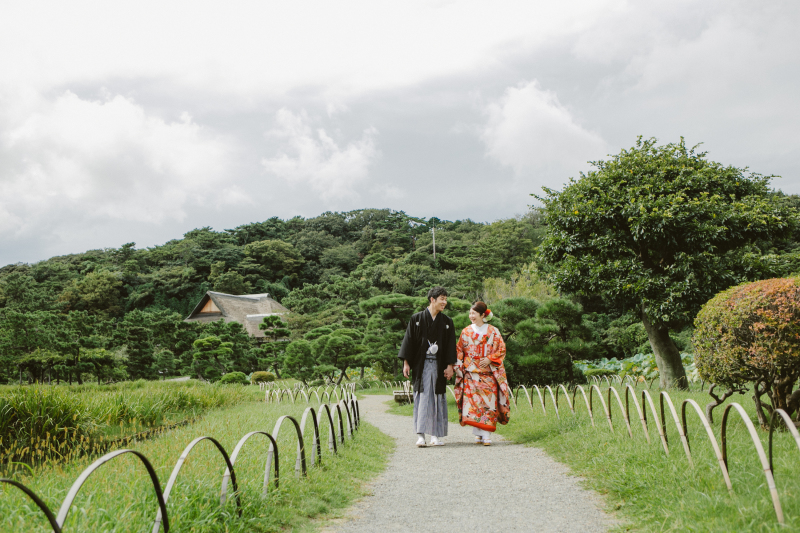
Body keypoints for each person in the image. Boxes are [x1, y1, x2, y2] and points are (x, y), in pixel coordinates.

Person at [398, 286, 456, 447]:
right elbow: (408, 341)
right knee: (422, 397)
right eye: (442, 299)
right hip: (421, 365)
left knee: (438, 398)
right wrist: (406, 362)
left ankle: (435, 435)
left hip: (439, 365)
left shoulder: (447, 322)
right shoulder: (416, 319)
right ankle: (420, 435)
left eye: (446, 299)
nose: (445, 302)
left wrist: (450, 366)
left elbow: (451, 345)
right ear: (432, 300)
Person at [454, 301, 510, 446]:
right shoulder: (466, 331)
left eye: (474, 313)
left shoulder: (493, 331)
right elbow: (459, 350)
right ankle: (478, 433)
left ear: (482, 314)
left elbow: (501, 349)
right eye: (470, 313)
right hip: (471, 374)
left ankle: (486, 435)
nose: (471, 316)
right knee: (474, 404)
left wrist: (490, 359)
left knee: (488, 403)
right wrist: (458, 365)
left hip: (488, 374)